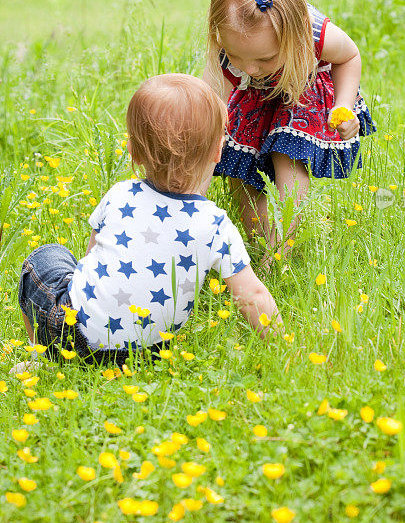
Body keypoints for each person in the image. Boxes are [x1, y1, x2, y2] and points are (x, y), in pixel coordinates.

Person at [15, 74, 281, 371]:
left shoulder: (120, 194)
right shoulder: (215, 224)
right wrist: (287, 353)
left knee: (45, 257)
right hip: (152, 351)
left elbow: (89, 263)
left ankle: (43, 359)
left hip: (77, 339)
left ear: (133, 151)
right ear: (218, 151)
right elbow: (253, 295)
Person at [204, 0, 375, 253]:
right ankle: (260, 245)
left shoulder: (315, 34)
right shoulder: (227, 48)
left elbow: (349, 57)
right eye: (236, 56)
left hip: (300, 90)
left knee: (288, 156)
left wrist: (344, 105)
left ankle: (280, 249)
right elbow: (210, 105)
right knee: (239, 167)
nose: (249, 68)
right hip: (254, 98)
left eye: (265, 58)